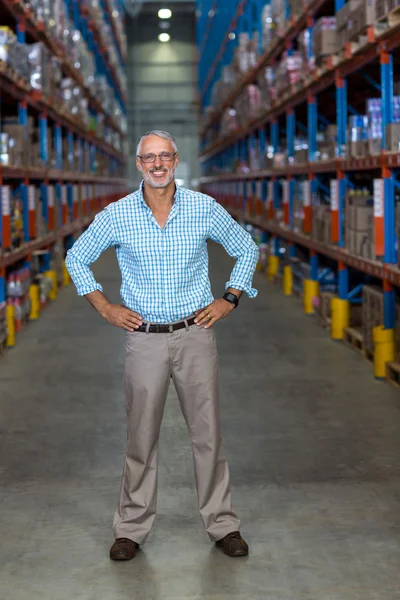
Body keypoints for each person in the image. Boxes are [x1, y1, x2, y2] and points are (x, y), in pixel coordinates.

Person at [66, 130, 259, 560]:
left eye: (165, 156)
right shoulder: (117, 215)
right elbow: (76, 258)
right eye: (148, 157)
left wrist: (230, 298)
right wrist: (106, 308)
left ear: (176, 160)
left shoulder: (203, 208)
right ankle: (130, 528)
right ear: (138, 164)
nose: (157, 164)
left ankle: (222, 524)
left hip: (195, 335)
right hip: (145, 339)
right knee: (141, 436)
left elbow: (246, 249)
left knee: (208, 435)